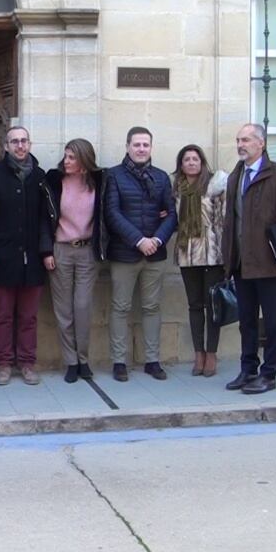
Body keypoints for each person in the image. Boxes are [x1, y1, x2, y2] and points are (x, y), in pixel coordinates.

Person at [222, 124, 276, 394]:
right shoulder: (236, 174)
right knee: (246, 319)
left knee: (271, 320)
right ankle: (248, 369)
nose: (241, 144)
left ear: (261, 143)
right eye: (238, 140)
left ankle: (269, 373)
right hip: (241, 261)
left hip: (268, 259)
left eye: (246, 139)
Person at [0, 126, 55, 386]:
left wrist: (46, 251)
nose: (20, 146)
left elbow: (46, 219)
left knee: (28, 316)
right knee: (2, 315)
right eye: (14, 142)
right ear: (6, 146)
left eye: (24, 141)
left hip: (33, 259)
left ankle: (27, 363)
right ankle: (3, 363)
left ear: (30, 144)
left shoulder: (41, 177)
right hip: (2, 257)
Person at [104, 126, 177, 382]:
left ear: (151, 148)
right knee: (120, 307)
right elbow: (112, 213)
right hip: (125, 253)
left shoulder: (161, 177)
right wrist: (138, 240)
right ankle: (119, 361)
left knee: (152, 307)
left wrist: (156, 239)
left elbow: (171, 214)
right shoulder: (113, 176)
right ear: (127, 146)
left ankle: (152, 360)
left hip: (155, 254)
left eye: (146, 145)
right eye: (136, 144)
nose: (141, 149)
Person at [45, 138, 109, 384]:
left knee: (82, 308)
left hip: (87, 252)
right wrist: (46, 252)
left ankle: (84, 359)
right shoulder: (53, 180)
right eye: (66, 156)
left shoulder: (100, 181)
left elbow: (112, 209)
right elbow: (44, 219)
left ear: (84, 159)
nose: (66, 161)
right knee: (64, 311)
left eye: (72, 157)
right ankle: (71, 362)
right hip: (60, 250)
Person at [172, 144, 228, 378]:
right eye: (187, 159)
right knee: (194, 305)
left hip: (212, 253)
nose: (192, 163)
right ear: (181, 164)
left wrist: (226, 254)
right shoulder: (176, 188)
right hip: (187, 253)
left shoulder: (215, 185)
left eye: (196, 159)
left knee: (212, 306)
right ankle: (198, 354)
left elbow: (223, 221)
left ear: (202, 162)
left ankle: (212, 354)